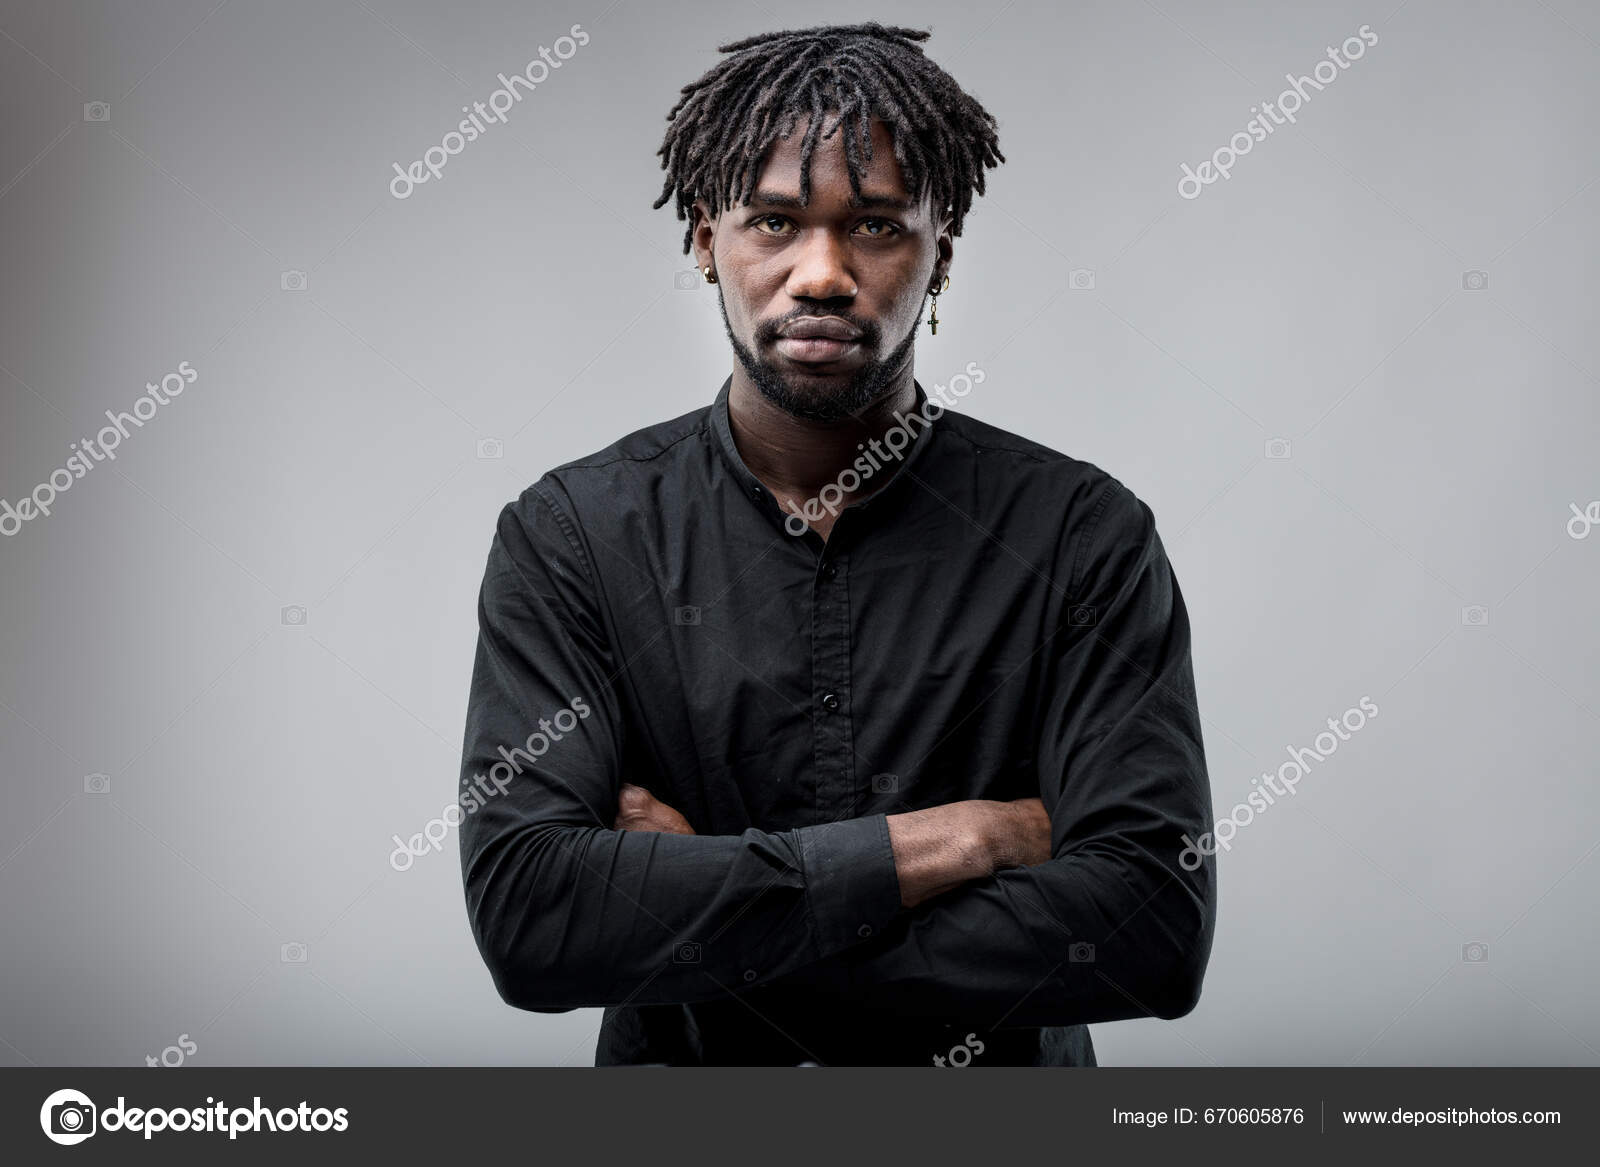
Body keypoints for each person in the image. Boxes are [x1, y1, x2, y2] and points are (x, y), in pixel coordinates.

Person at [458, 22, 1216, 1066]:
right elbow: (532, 922)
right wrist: (966, 840)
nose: (820, 273)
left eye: (873, 226)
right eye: (772, 221)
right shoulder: (573, 538)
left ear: (938, 257)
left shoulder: (1081, 537)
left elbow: (1150, 931)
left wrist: (712, 905)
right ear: (701, 240)